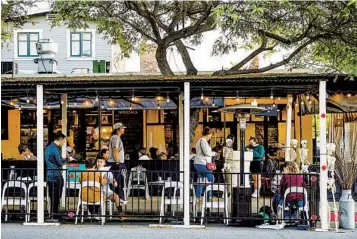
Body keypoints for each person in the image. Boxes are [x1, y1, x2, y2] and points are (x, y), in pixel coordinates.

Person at [45, 132, 68, 220]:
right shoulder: (55, 149)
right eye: (63, 141)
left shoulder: (48, 148)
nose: (63, 143)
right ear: (60, 140)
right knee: (56, 195)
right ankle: (54, 213)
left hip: (49, 174)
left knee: (52, 195)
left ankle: (53, 213)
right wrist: (67, 159)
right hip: (56, 174)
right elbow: (60, 162)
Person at [194, 127, 217, 202]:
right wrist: (214, 153)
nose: (211, 137)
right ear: (208, 134)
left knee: (201, 180)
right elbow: (206, 153)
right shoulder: (203, 141)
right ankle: (208, 197)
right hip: (202, 163)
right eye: (210, 135)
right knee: (211, 179)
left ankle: (198, 198)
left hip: (199, 163)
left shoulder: (200, 141)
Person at [108, 122, 128, 205]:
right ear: (118, 129)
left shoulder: (114, 137)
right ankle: (119, 198)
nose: (124, 130)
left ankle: (115, 198)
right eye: (122, 128)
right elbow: (115, 149)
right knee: (118, 181)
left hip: (115, 163)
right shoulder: (116, 138)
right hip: (116, 163)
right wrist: (117, 161)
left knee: (115, 181)